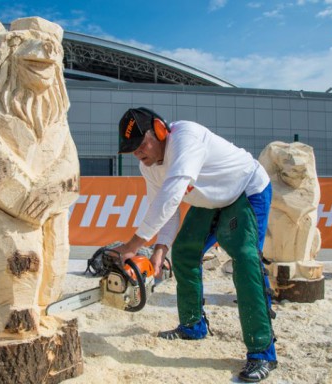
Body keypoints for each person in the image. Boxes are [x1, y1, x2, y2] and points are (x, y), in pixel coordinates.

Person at [112, 107, 277, 382]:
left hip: (245, 190)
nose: (138, 154)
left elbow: (172, 194)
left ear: (160, 130)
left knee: (246, 259)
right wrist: (160, 250)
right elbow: (164, 207)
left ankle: (262, 352)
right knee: (185, 253)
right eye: (132, 150)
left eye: (141, 145)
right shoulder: (148, 166)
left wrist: (132, 245)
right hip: (209, 201)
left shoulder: (186, 137)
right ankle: (192, 325)